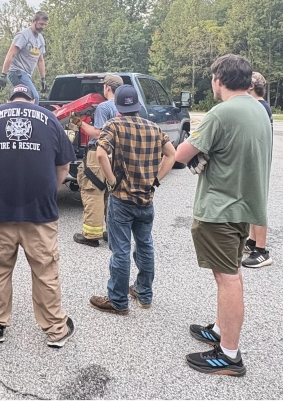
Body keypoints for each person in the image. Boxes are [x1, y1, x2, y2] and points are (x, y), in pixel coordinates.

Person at [175, 54, 271, 377]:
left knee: (227, 279)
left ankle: (229, 354)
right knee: (230, 272)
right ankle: (220, 329)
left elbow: (181, 154)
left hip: (219, 209)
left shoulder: (220, 113)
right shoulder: (259, 110)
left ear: (219, 80)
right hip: (244, 207)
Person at [0, 84, 76, 348]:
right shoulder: (49, 119)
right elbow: (64, 166)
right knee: (45, 270)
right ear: (33, 99)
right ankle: (56, 329)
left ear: (10, 99)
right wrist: (51, 189)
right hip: (40, 213)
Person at [89, 84, 175, 315]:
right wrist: (156, 180)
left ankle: (118, 301)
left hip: (122, 200)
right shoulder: (153, 127)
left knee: (121, 251)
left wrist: (112, 181)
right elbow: (171, 154)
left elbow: (100, 153)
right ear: (138, 105)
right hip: (146, 199)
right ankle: (144, 294)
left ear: (117, 106)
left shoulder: (114, 125)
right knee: (145, 245)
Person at [73, 74, 123, 247]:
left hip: (101, 153)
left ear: (107, 88)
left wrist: (78, 122)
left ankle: (91, 236)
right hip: (119, 155)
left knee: (93, 190)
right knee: (112, 193)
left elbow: (99, 133)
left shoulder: (104, 107)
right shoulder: (126, 106)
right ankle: (112, 232)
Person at [242, 71, 273, 268]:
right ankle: (253, 241)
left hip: (257, 161)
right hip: (259, 159)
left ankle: (261, 251)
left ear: (251, 87)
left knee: (258, 203)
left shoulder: (258, 107)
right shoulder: (263, 106)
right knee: (253, 201)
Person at [0, 11, 49, 104]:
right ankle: (32, 118)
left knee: (25, 99)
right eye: (41, 24)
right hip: (16, 72)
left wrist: (43, 79)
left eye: (45, 25)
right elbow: (10, 54)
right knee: (33, 97)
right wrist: (3, 74)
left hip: (26, 74)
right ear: (34, 21)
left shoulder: (40, 39)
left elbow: (40, 61)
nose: (43, 27)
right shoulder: (23, 35)